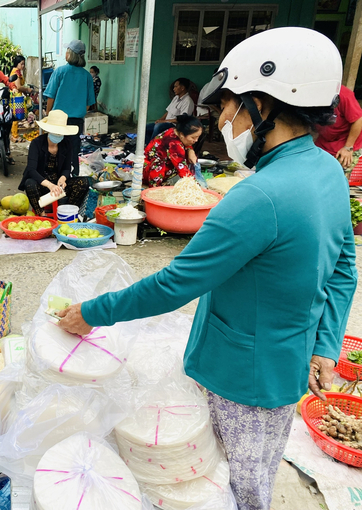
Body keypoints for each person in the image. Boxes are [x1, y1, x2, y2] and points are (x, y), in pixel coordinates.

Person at [56, 27, 357, 510]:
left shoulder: (258, 197)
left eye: (228, 107)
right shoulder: (326, 170)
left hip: (240, 378)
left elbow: (175, 284)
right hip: (286, 367)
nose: (222, 120)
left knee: (225, 488)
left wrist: (92, 311)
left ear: (264, 103)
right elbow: (344, 267)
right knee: (257, 469)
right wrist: (324, 344)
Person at [20, 110, 89, 216]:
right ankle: (41, 214)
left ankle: (67, 211)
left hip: (58, 184)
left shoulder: (66, 144)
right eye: (55, 132)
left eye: (60, 133)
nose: (58, 135)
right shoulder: (37, 143)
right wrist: (49, 185)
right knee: (29, 184)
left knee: (83, 183)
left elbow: (67, 168)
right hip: (41, 183)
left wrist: (63, 178)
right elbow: (31, 170)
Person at [43, 40, 95, 177]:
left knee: (54, 150)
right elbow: (89, 103)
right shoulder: (87, 76)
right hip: (76, 121)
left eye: (67, 51)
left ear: (70, 54)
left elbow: (50, 96)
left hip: (58, 121)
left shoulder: (60, 71)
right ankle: (73, 180)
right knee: (72, 153)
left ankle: (54, 181)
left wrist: (48, 114)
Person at [144, 114, 202, 187]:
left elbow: (186, 147)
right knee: (160, 165)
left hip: (160, 163)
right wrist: (196, 187)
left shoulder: (175, 131)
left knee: (187, 157)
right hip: (148, 170)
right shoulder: (174, 144)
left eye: (198, 137)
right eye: (193, 137)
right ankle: (155, 187)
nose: (196, 140)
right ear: (182, 134)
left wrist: (190, 150)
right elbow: (182, 169)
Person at [315, 85, 362, 174]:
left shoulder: (343, 94)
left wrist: (348, 148)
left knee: (338, 174)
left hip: (345, 142)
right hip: (324, 140)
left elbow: (358, 120)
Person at [145, 78, 195, 144]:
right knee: (146, 127)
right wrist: (160, 120)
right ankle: (147, 145)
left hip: (176, 126)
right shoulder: (176, 98)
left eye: (176, 86)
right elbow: (168, 111)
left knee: (158, 127)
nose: (174, 89)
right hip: (167, 123)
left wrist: (163, 121)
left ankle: (152, 146)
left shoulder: (187, 101)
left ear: (182, 88)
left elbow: (182, 120)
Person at [9, 55, 33, 143]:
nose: (23, 66)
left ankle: (15, 134)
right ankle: (14, 136)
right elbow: (18, 86)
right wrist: (27, 89)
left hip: (17, 95)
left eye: (24, 64)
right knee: (16, 116)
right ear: (17, 63)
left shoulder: (17, 71)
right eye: (21, 64)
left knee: (16, 116)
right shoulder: (16, 72)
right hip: (16, 96)